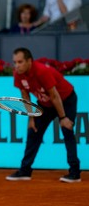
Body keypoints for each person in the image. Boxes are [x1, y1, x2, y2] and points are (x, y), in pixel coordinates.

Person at [6, 47, 81, 183]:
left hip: (65, 100)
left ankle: (75, 173)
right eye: (15, 62)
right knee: (33, 131)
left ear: (29, 61)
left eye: (20, 62)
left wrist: (63, 118)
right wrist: (31, 118)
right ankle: (25, 171)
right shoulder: (18, 74)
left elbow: (54, 95)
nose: (17, 65)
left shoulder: (42, 71)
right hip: (45, 105)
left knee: (67, 130)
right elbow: (25, 95)